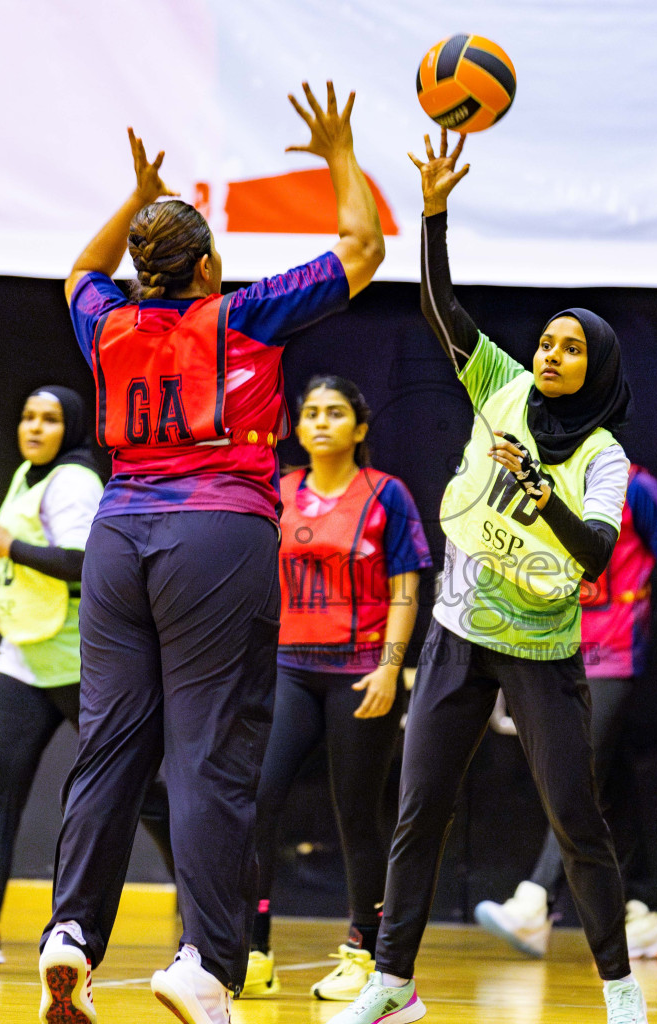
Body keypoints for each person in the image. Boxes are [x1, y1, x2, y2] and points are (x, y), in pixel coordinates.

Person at [37, 81, 385, 1024]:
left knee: (111, 745)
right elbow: (364, 250)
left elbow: (77, 268)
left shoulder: (105, 322)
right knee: (209, 756)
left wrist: (135, 200)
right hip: (217, 534)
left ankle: (69, 935)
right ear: (207, 263)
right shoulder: (241, 315)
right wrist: (339, 153)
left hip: (118, 537)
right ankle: (204, 964)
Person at [329, 130, 647, 1024]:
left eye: (569, 349)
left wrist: (540, 493)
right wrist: (433, 210)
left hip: (541, 655)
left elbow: (592, 554)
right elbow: (439, 305)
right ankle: (393, 983)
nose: (549, 355)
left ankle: (620, 993)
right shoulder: (499, 385)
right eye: (545, 342)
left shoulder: (604, 455)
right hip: (456, 635)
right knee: (416, 809)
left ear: (597, 370)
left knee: (578, 826)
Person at [0, 386, 175, 965]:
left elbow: (86, 561)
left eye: (50, 419)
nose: (34, 427)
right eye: (28, 416)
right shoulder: (29, 476)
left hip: (83, 660)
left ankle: (202, 897)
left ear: (72, 426)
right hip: (26, 657)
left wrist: (10, 547)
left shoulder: (76, 481)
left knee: (140, 792)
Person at [473, 463, 657, 960]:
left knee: (574, 775)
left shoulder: (637, 487)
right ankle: (647, 911)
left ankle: (534, 904)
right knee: (608, 785)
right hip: (557, 650)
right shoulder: (543, 482)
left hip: (614, 655)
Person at [244, 375, 431, 1001]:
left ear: (361, 427)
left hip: (360, 671)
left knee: (356, 812)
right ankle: (252, 945)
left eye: (336, 412)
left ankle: (364, 951)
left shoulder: (388, 495)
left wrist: (389, 665)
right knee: (258, 799)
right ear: (296, 427)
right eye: (311, 413)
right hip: (289, 667)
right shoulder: (278, 491)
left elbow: (408, 585)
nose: (321, 421)